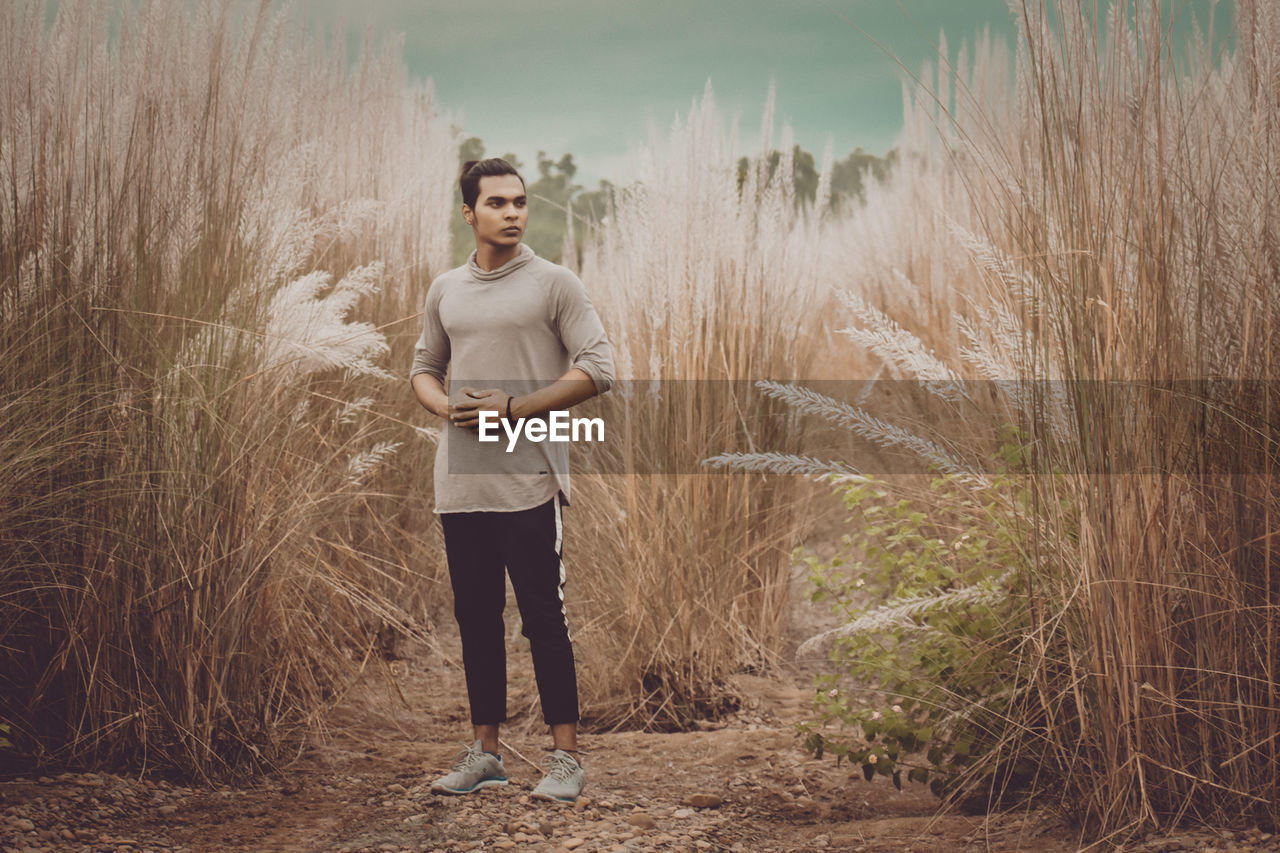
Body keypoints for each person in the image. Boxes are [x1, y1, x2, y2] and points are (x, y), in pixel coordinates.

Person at [410, 157, 614, 803]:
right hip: (462, 484)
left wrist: (515, 407)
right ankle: (487, 754)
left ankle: (566, 759)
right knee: (475, 617)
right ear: (468, 212)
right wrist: (450, 410)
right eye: (497, 203)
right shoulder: (446, 288)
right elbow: (423, 368)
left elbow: (600, 366)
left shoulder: (555, 283)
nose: (513, 213)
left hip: (530, 480)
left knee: (543, 619)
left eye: (520, 202)